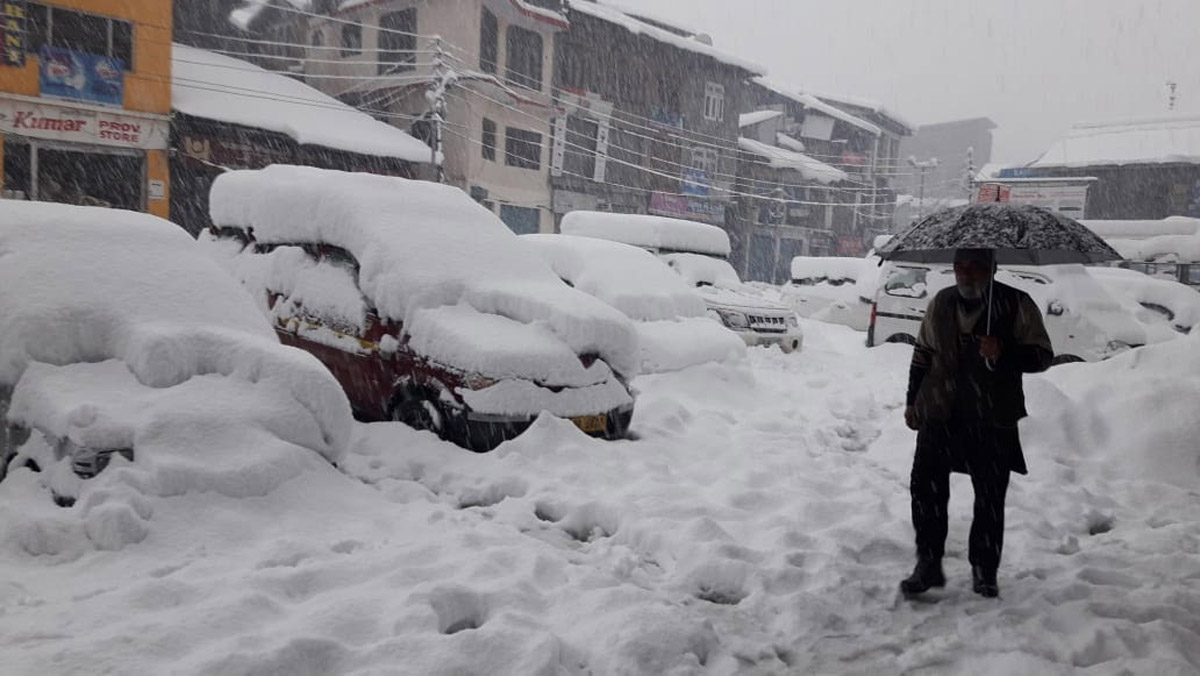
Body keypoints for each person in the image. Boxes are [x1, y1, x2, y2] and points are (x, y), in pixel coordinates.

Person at [900, 248, 1053, 598]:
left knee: (989, 497)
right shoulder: (941, 302)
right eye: (960, 268)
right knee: (926, 491)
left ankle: (985, 568)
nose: (966, 275)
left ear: (992, 269)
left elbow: (1042, 355)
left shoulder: (1016, 304)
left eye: (976, 268)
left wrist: (1003, 351)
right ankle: (927, 563)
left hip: (992, 417)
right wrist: (912, 400)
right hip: (940, 411)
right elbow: (922, 353)